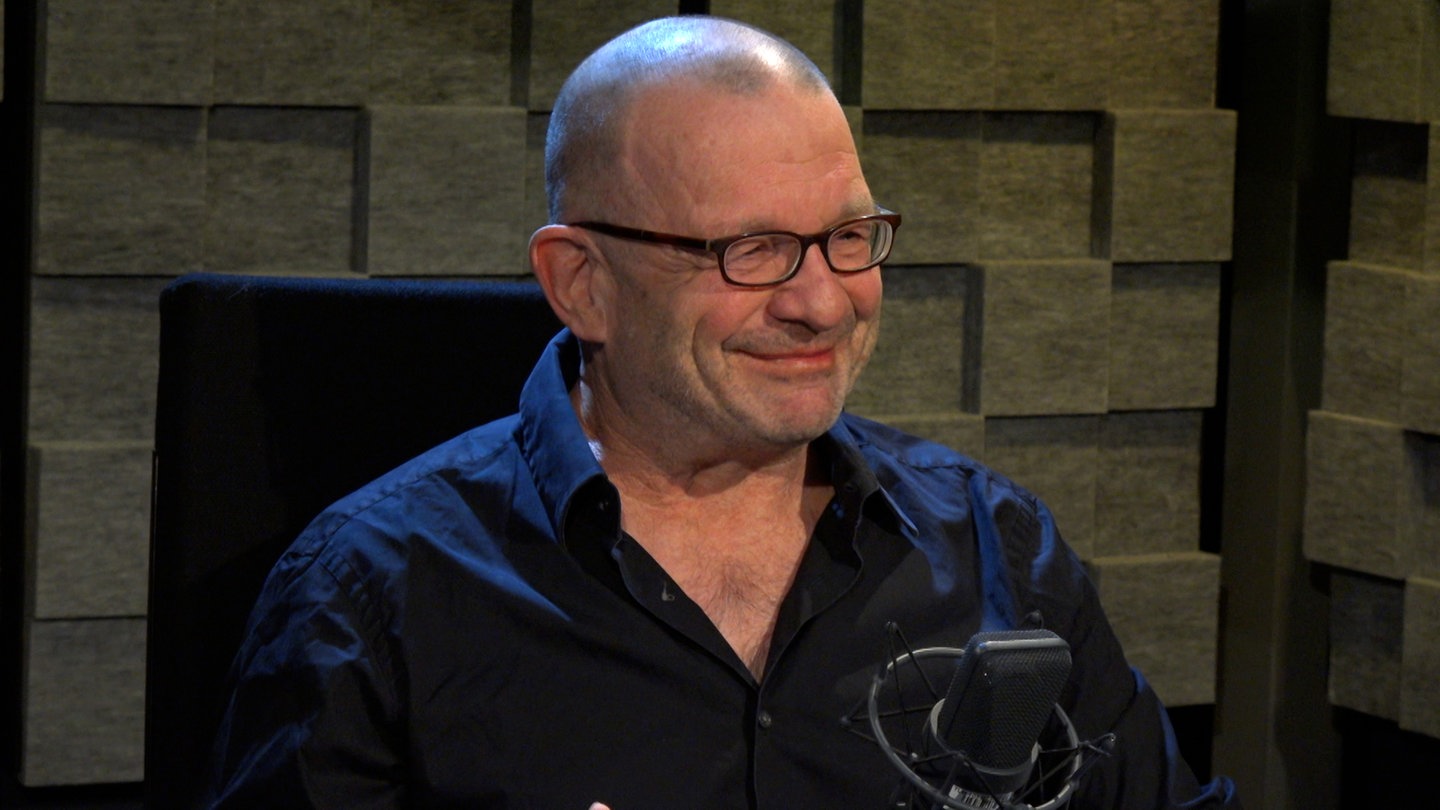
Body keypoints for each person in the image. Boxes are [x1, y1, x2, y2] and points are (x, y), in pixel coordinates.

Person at [202, 15, 1239, 809]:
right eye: (752, 250)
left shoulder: (997, 550)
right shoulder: (374, 593)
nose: (821, 302)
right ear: (582, 284)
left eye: (848, 237)